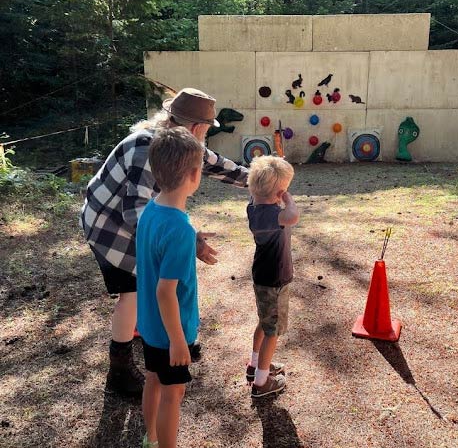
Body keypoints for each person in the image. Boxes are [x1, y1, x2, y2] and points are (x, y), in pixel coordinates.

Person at [80, 87, 248, 397]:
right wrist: (183, 239)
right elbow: (135, 212)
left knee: (159, 282)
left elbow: (213, 163)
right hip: (108, 225)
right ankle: (120, 365)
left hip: (138, 219)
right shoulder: (148, 147)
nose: (206, 137)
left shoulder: (177, 142)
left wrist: (258, 180)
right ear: (197, 128)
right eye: (207, 129)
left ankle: (165, 338)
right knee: (134, 291)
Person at [137, 127, 203, 448]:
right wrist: (178, 342)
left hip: (150, 325)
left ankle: (149, 438)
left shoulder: (151, 209)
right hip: (169, 333)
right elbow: (166, 292)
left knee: (153, 380)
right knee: (173, 394)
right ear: (194, 175)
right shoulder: (181, 228)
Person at [245, 155, 299, 398]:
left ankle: (255, 364)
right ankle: (261, 382)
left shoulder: (254, 208)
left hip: (263, 276)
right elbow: (292, 217)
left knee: (264, 321)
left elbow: (263, 191)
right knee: (272, 330)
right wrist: (288, 199)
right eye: (284, 189)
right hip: (275, 279)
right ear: (278, 193)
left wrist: (275, 181)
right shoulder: (274, 214)